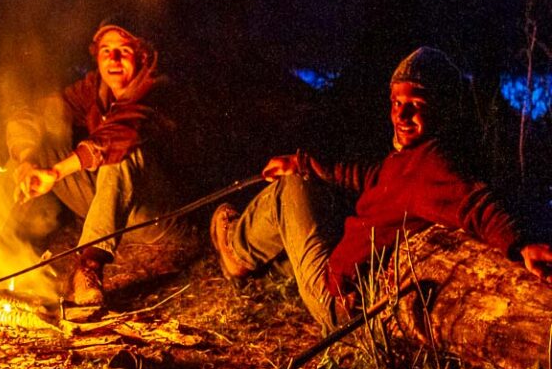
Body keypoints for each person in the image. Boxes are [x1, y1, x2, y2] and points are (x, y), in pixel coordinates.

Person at [211, 46, 552, 330]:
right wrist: (305, 163)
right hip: (344, 282)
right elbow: (373, 178)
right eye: (396, 103)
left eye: (416, 105)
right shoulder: (411, 159)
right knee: (305, 184)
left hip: (340, 304)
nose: (402, 116)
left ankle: (236, 251)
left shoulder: (433, 165)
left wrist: (521, 244)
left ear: (444, 109)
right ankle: (256, 255)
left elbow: (474, 203)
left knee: (292, 190)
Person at [0, 18, 176, 308]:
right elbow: (35, 115)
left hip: (153, 216)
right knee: (33, 152)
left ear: (142, 56)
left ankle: (89, 268)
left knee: (122, 155)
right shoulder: (93, 89)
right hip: (105, 204)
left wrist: (56, 171)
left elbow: (115, 139)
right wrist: (26, 160)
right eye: (106, 50)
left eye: (124, 49)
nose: (114, 58)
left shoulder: (155, 88)